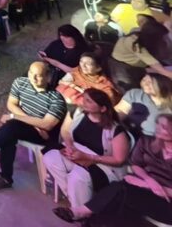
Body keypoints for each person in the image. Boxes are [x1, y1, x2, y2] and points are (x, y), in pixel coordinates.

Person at [54, 113, 172, 224]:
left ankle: (82, 213)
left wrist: (150, 186)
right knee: (117, 200)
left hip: (166, 201)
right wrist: (148, 180)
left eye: (165, 126)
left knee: (120, 191)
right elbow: (136, 165)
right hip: (142, 189)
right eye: (158, 124)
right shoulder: (147, 142)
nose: (159, 128)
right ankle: (85, 216)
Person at [0, 61, 66, 190]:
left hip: (43, 135)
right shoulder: (21, 83)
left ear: (48, 77)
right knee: (10, 132)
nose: (33, 78)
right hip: (32, 127)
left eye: (38, 75)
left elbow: (47, 124)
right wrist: (34, 124)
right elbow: (11, 105)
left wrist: (15, 117)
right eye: (31, 73)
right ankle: (4, 177)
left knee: (11, 126)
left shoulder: (56, 99)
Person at [46, 89, 131, 222]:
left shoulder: (116, 130)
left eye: (89, 101)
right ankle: (76, 203)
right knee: (50, 158)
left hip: (104, 166)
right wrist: (69, 146)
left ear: (102, 108)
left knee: (78, 176)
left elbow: (119, 160)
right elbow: (66, 132)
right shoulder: (79, 113)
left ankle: (80, 214)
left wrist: (89, 157)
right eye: (84, 99)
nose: (83, 102)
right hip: (78, 153)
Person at [116, 73, 172, 138]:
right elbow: (119, 113)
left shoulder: (169, 101)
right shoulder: (135, 94)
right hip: (137, 136)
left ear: (162, 84)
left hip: (164, 139)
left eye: (150, 82)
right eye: (144, 80)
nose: (145, 83)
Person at [57, 53, 122, 107]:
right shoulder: (77, 71)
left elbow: (104, 105)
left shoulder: (104, 87)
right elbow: (62, 82)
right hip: (58, 102)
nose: (83, 66)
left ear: (98, 68)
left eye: (88, 64)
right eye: (81, 61)